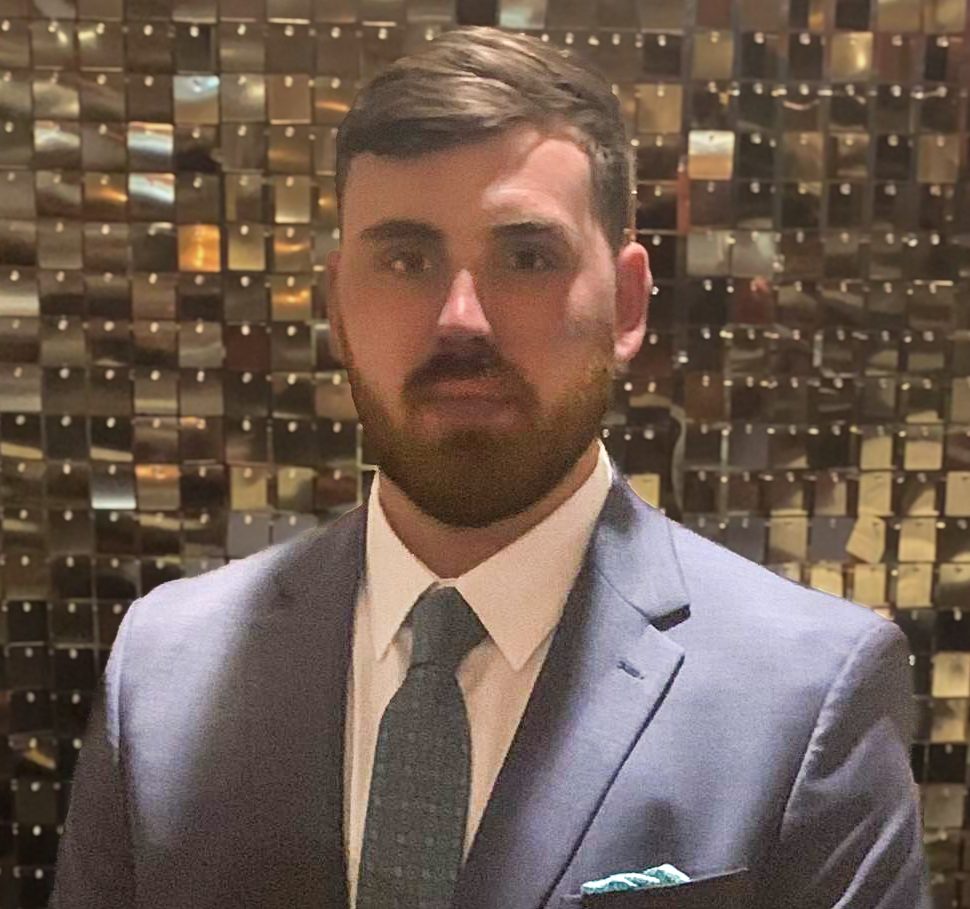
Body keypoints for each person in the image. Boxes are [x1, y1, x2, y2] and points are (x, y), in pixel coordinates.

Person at [50, 25, 930, 909]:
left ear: (627, 303)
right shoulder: (162, 673)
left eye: (526, 257)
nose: (460, 319)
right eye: (405, 258)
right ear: (336, 308)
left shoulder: (809, 695)